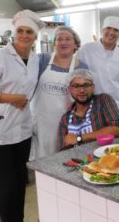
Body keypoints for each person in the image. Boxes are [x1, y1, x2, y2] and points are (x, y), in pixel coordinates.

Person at [0, 9, 45, 222]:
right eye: (21, 31)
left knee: (20, 183)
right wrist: (9, 98)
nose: (24, 35)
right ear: (14, 32)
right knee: (7, 185)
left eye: (29, 32)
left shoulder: (35, 59)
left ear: (35, 37)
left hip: (22, 132)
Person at [30, 26, 88, 160]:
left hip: (68, 124)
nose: (63, 42)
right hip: (41, 122)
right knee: (42, 161)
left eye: (68, 39)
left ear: (76, 44)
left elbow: (85, 96)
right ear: (54, 44)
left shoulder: (81, 67)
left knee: (65, 159)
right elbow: (21, 67)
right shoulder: (42, 60)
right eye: (59, 39)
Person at [79, 16, 119, 127]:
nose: (111, 32)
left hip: (116, 109)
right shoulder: (86, 50)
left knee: (116, 143)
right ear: (102, 30)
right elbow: (76, 79)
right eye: (108, 28)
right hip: (91, 110)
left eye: (116, 30)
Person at [58, 69, 119, 150]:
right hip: (79, 161)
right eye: (76, 86)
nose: (82, 90)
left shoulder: (104, 100)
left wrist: (80, 138)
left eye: (86, 85)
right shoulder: (65, 118)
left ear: (93, 87)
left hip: (106, 156)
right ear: (70, 89)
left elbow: (117, 130)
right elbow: (62, 150)